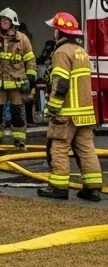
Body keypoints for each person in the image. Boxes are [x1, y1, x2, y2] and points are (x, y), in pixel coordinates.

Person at [37, 11, 103, 202]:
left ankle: (58, 187)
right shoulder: (81, 52)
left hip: (67, 113)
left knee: (58, 147)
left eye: (54, 30)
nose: (53, 34)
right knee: (86, 149)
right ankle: (92, 189)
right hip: (85, 113)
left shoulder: (61, 53)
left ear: (59, 32)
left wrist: (53, 108)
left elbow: (62, 83)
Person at [0, 7, 36, 148]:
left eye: (6, 20)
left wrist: (30, 79)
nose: (3, 22)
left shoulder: (22, 40)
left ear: (13, 22)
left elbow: (30, 60)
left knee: (17, 113)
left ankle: (19, 139)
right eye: (2, 20)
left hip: (17, 83)